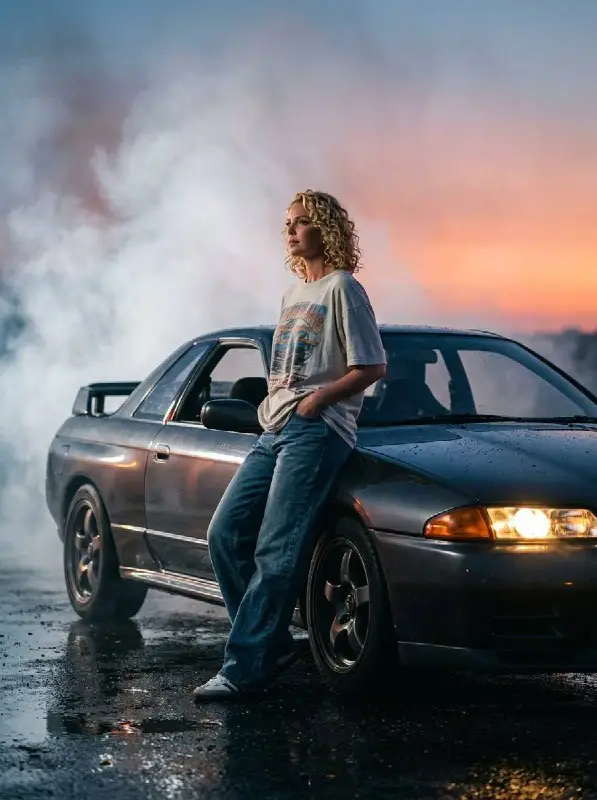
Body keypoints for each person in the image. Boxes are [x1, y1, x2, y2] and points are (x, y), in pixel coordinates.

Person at [193, 190, 387, 701]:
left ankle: (245, 668)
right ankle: (271, 644)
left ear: (325, 229)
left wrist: (317, 401)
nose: (291, 231)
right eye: (288, 223)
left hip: (316, 430)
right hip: (274, 428)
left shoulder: (344, 289)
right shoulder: (290, 296)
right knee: (225, 534)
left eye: (301, 222)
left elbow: (371, 367)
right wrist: (276, 407)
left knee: (276, 548)